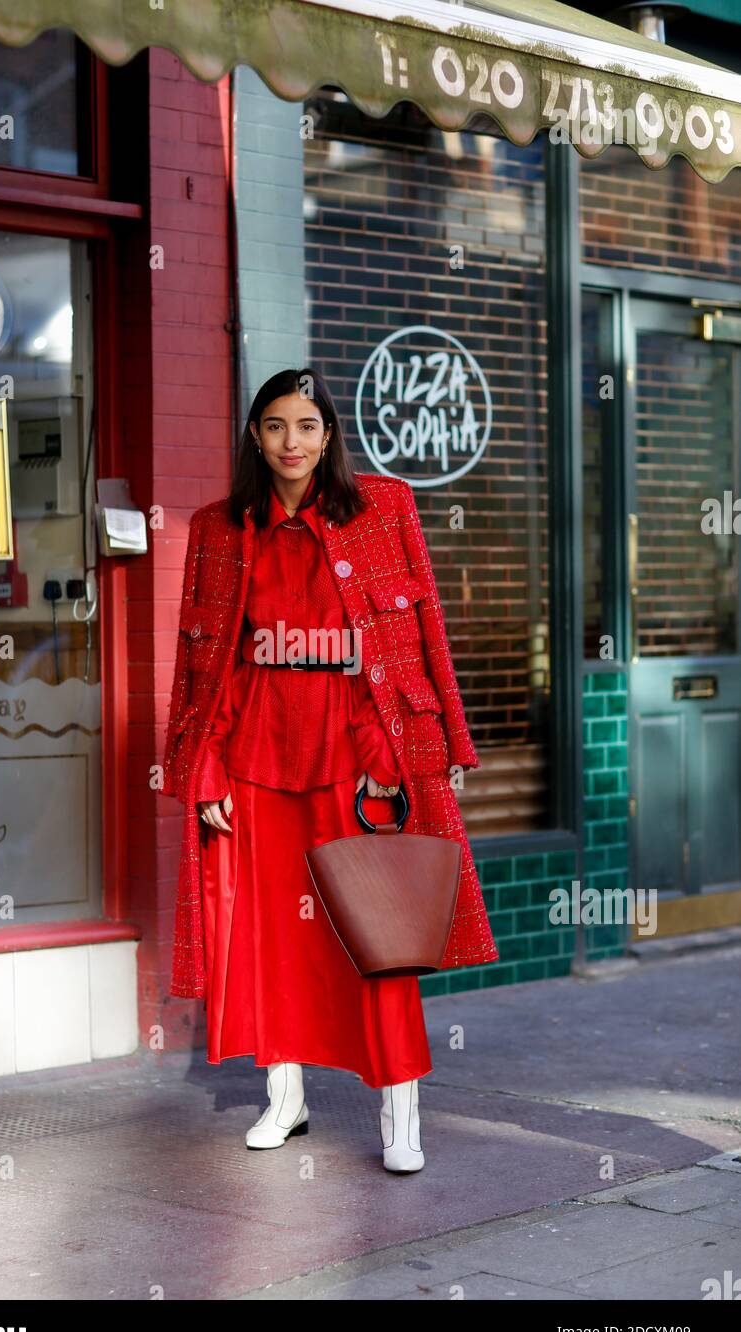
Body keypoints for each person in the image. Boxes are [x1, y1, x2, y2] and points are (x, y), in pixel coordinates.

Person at [161, 367, 498, 1174]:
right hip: (255, 765)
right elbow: (206, 665)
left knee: (377, 942)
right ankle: (286, 1098)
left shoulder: (384, 510)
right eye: (276, 426)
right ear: (255, 435)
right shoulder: (218, 527)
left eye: (308, 426)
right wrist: (203, 769)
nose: (292, 443)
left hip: (358, 762)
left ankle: (401, 1114)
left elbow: (422, 635)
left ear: (330, 435)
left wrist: (418, 751)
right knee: (272, 941)